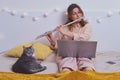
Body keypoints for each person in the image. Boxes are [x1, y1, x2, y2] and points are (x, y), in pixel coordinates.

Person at [46, 3, 95, 72]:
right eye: (74, 14)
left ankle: (89, 74)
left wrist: (65, 33)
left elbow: (84, 37)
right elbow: (58, 47)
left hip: (82, 53)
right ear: (70, 16)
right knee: (67, 63)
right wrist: (52, 42)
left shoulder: (87, 26)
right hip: (68, 54)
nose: (78, 16)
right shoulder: (63, 28)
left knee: (86, 64)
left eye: (79, 12)